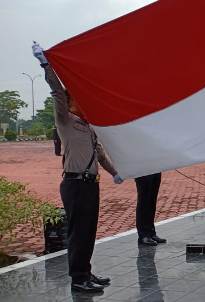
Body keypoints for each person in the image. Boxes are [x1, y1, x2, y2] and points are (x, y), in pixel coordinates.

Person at [35, 42, 123, 293]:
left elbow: (101, 155)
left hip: (91, 184)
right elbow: (57, 93)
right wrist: (46, 65)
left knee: (89, 231)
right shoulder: (66, 121)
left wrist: (115, 173)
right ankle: (77, 278)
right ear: (72, 103)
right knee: (77, 232)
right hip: (74, 184)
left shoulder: (89, 126)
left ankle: (86, 271)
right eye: (79, 100)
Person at [135, 173, 166, 246]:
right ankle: (143, 235)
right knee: (144, 201)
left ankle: (151, 233)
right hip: (143, 171)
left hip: (155, 169)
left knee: (152, 200)